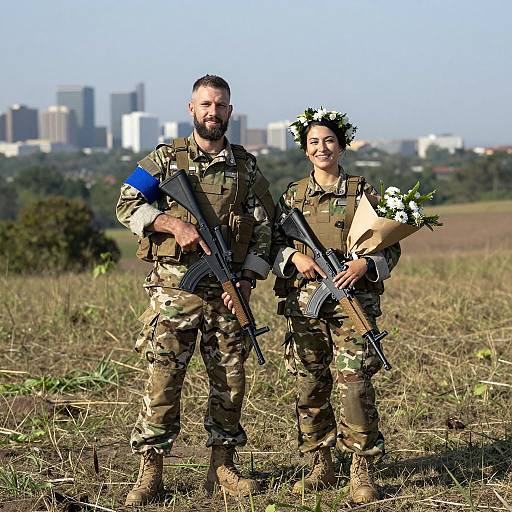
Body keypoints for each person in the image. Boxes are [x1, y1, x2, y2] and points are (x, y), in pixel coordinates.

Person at [116, 75, 274, 506]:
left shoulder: (245, 166)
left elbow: (265, 228)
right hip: (174, 293)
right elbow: (126, 202)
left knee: (230, 381)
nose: (213, 113)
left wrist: (245, 280)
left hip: (227, 296)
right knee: (164, 380)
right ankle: (151, 472)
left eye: (221, 106)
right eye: (206, 104)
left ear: (230, 111)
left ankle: (221, 467)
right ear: (191, 109)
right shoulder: (166, 160)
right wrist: (172, 223)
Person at [271, 108, 400, 504]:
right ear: (305, 150)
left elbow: (390, 245)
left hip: (352, 303)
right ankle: (319, 463)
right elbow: (271, 243)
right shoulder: (291, 195)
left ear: (341, 145)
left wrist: (365, 264)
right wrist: (294, 259)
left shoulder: (363, 192)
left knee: (355, 383)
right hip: (305, 303)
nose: (322, 148)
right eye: (314, 142)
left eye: (329, 140)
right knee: (309, 381)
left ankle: (361, 467)